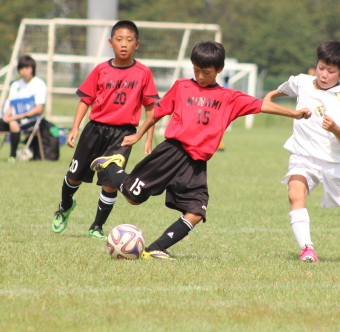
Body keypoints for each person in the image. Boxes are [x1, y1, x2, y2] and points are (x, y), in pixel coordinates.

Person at [93, 41, 312, 259]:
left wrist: (293, 113)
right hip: (172, 152)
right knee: (133, 197)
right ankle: (111, 165)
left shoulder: (229, 98)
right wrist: (139, 134)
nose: (200, 76)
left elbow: (262, 105)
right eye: (196, 70)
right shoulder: (181, 87)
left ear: (219, 69)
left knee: (197, 211)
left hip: (196, 164)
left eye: (206, 72)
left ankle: (155, 248)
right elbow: (156, 113)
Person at [263, 40, 340, 263]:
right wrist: (270, 97)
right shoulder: (303, 82)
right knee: (295, 194)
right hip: (303, 157)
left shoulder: (338, 101)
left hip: (334, 163)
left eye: (330, 71)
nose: (323, 74)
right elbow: (287, 87)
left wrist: (334, 128)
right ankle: (307, 249)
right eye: (321, 67)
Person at [51, 20, 159, 240]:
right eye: (119, 39)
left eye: (129, 40)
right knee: (74, 177)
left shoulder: (143, 73)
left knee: (110, 183)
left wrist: (147, 139)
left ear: (137, 44)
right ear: (110, 42)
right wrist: (75, 127)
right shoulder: (101, 69)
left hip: (123, 135)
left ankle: (96, 226)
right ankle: (64, 207)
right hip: (94, 131)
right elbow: (85, 100)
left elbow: (151, 109)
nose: (123, 44)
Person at [0, 54, 47, 162]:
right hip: (12, 118)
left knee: (13, 123)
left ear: (32, 69)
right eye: (21, 68)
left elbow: (39, 109)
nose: (24, 71)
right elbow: (10, 104)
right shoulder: (15, 85)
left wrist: (19, 116)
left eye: (27, 68)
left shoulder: (39, 84)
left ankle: (12, 156)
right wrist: (6, 114)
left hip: (30, 120)